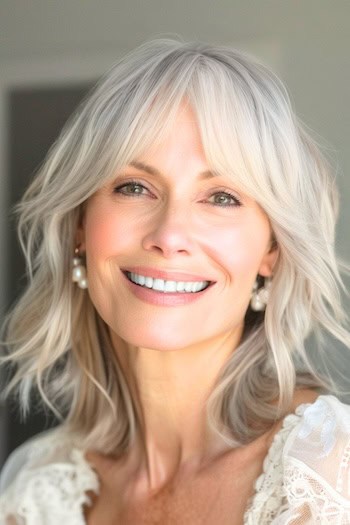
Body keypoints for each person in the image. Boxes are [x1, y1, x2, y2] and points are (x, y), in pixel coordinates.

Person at [0, 38, 350, 525]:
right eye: (134, 187)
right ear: (79, 226)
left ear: (271, 251)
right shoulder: (34, 492)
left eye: (222, 197)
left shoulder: (331, 472)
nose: (169, 236)